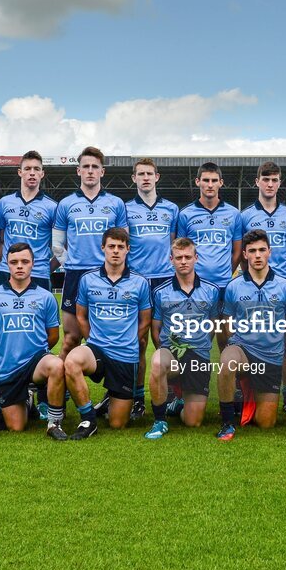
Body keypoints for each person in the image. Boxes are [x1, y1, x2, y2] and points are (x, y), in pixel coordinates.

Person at [64, 228, 151, 437]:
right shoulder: (87, 279)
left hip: (125, 355)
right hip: (97, 350)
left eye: (121, 247)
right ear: (103, 248)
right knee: (71, 361)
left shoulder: (140, 282)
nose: (115, 251)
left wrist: (129, 340)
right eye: (111, 246)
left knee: (117, 424)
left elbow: (145, 320)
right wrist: (93, 340)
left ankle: (109, 400)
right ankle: (88, 419)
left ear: (128, 250)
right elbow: (81, 316)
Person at [214, 230, 286, 441]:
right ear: (245, 254)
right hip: (242, 351)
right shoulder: (233, 287)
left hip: (270, 357)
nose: (258, 255)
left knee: (266, 423)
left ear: (270, 252)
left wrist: (281, 341)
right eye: (252, 251)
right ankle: (227, 422)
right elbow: (227, 323)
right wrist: (235, 341)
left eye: (262, 250)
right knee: (227, 360)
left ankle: (250, 399)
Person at [0, 243, 67, 438]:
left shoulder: (46, 297)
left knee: (56, 364)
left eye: (25, 262)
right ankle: (26, 401)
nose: (19, 266)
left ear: (32, 264)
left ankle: (54, 423)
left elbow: (52, 336)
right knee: (16, 427)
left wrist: (37, 351)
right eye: (14, 262)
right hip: (9, 367)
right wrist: (4, 349)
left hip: (37, 363)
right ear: (7, 265)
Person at [52, 146, 128, 361]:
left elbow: (123, 242)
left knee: (108, 339)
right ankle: (61, 390)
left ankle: (112, 392)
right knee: (71, 338)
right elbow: (57, 244)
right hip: (76, 275)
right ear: (79, 171)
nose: (90, 171)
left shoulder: (116, 203)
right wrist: (71, 264)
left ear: (102, 172)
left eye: (95, 167)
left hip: (108, 277)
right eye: (86, 166)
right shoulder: (66, 204)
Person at [237, 161, 286, 411]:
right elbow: (244, 252)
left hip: (282, 286)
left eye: (274, 180)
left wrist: (283, 277)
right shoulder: (245, 215)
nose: (270, 184)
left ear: (279, 183)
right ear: (257, 182)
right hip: (253, 286)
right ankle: (247, 392)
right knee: (250, 340)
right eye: (266, 179)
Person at [145, 238, 221, 439]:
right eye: (179, 257)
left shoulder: (211, 291)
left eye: (188, 257)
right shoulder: (160, 292)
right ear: (171, 260)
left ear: (196, 258)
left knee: (193, 422)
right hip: (172, 353)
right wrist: (165, 349)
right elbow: (156, 329)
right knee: (158, 361)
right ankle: (160, 421)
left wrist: (199, 344)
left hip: (199, 355)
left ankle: (177, 405)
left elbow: (213, 325)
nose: (183, 261)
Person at [125, 157, 179, 421]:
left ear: (157, 177)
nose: (145, 178)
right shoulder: (125, 209)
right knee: (139, 341)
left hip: (165, 281)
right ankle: (136, 397)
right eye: (140, 174)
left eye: (150, 174)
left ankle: (173, 394)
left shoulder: (171, 209)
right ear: (133, 178)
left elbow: (174, 245)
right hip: (137, 281)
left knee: (166, 340)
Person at [176, 161, 242, 349]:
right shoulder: (186, 214)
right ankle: (193, 377)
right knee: (196, 340)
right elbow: (181, 249)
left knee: (226, 338)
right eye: (206, 180)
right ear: (198, 182)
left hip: (223, 285)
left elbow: (237, 250)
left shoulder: (233, 213)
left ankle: (231, 377)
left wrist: (226, 271)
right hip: (197, 287)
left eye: (214, 180)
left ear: (221, 182)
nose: (210, 184)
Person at [0, 150, 57, 291]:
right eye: (27, 169)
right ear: (20, 172)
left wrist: (47, 268)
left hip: (39, 273)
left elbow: (62, 246)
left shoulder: (52, 207)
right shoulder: (4, 203)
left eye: (37, 169)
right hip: (7, 271)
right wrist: (7, 263)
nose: (32, 173)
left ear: (42, 173)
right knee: (2, 312)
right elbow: (1, 240)